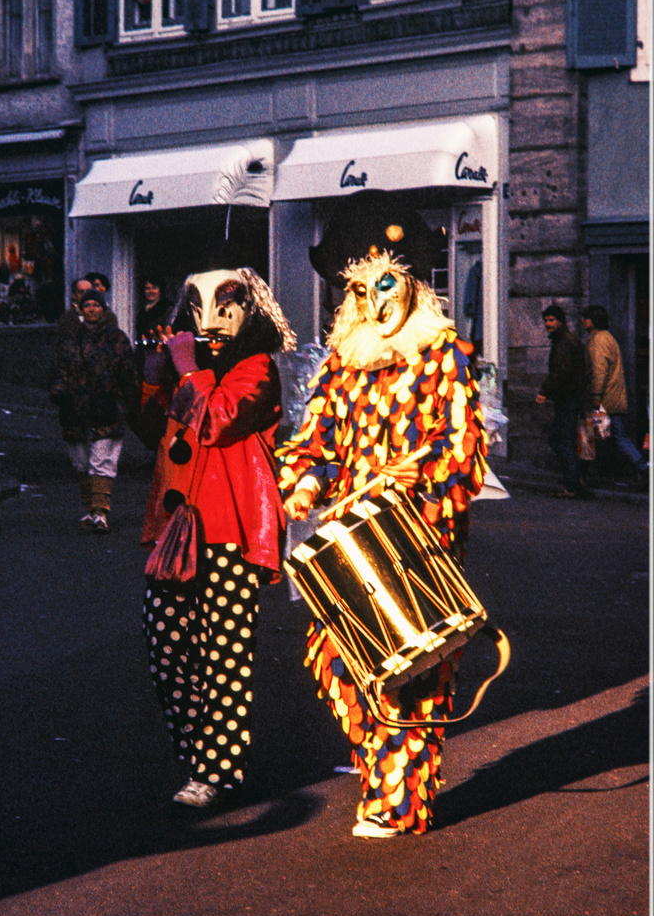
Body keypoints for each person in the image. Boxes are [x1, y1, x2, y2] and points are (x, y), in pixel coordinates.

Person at [277, 245, 488, 839]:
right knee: (342, 666)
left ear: (415, 287)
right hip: (349, 538)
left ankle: (397, 804)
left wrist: (420, 477)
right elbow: (314, 441)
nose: (379, 301)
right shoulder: (343, 363)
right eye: (365, 290)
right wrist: (304, 483)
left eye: (389, 284)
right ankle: (383, 772)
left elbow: (463, 446)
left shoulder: (442, 356)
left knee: (415, 673)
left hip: (419, 536)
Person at [140, 265, 296, 808]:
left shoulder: (256, 368)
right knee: (166, 646)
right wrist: (157, 371)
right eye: (202, 309)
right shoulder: (193, 368)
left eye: (227, 308)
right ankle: (198, 752)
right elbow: (151, 424)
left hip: (230, 529)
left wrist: (188, 371)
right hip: (178, 528)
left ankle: (216, 771)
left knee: (224, 654)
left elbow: (218, 418)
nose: (213, 321)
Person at [48, 288, 139, 532]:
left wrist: (127, 401)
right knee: (80, 461)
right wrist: (59, 391)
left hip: (107, 406)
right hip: (74, 408)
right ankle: (90, 509)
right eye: (87, 305)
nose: (91, 309)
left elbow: (128, 372)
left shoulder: (116, 339)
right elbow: (58, 369)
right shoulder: (70, 340)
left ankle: (100, 511)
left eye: (96, 305)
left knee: (102, 459)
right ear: (80, 308)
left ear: (103, 308)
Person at [581, 305, 648, 479]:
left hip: (606, 400)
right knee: (611, 437)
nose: (582, 320)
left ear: (593, 320)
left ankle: (643, 468)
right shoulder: (605, 338)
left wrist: (595, 396)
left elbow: (599, 371)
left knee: (615, 437)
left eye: (586, 317)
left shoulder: (599, 341)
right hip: (612, 397)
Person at [535, 304, 588, 498]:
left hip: (569, 398)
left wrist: (545, 391)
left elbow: (561, 372)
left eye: (551, 320)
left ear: (560, 321)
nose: (548, 324)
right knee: (565, 439)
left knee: (560, 439)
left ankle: (572, 483)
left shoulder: (564, 342)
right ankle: (576, 478)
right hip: (571, 397)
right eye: (546, 320)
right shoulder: (565, 340)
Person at [135, 276, 173, 380]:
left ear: (160, 290)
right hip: (144, 356)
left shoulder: (167, 309)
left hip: (160, 355)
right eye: (147, 288)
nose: (150, 291)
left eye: (154, 288)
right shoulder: (142, 312)